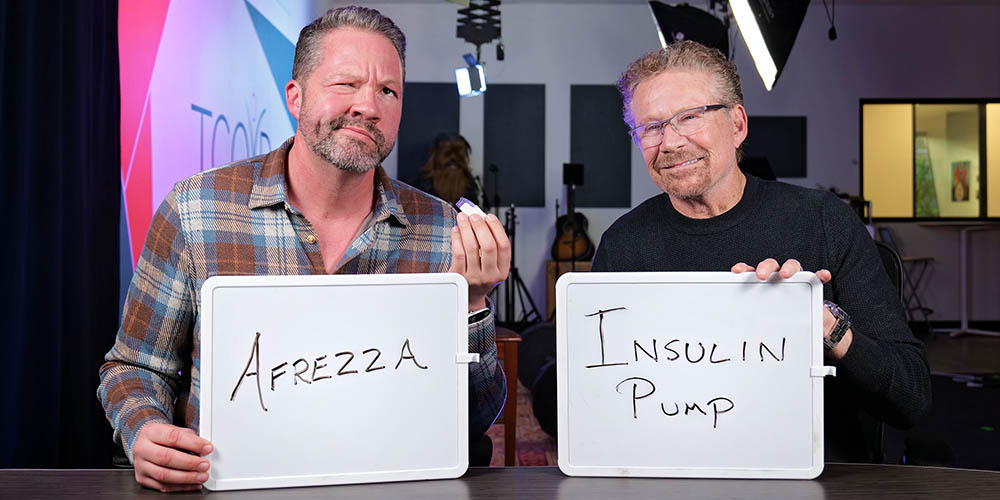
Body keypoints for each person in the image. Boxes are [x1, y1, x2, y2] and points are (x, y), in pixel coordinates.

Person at [98, 6, 508, 492]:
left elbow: (475, 418)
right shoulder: (194, 210)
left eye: (388, 91)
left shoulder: (443, 231)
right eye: (346, 84)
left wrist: (473, 304)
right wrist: (144, 429)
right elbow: (134, 368)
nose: (368, 106)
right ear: (296, 96)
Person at [592, 40, 931, 462]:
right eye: (651, 127)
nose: (671, 142)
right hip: (677, 470)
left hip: (818, 475)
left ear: (737, 125)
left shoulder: (824, 221)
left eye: (689, 117)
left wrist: (825, 325)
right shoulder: (623, 246)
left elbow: (911, 399)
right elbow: (599, 402)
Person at [414, 133, 481, 208]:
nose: (453, 158)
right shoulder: (423, 184)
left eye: (458, 156)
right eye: (447, 154)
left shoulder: (470, 185)